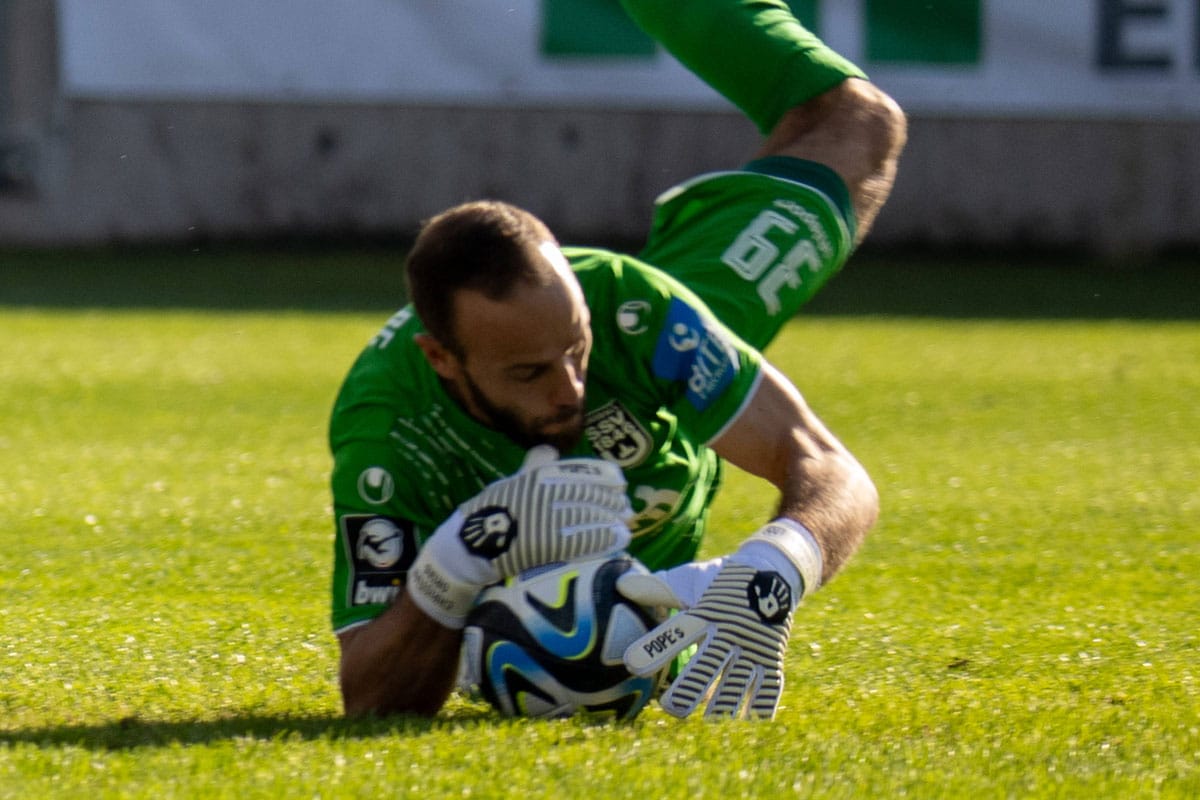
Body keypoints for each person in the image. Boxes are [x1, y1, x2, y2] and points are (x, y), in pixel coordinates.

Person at [328, 0, 906, 719]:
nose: (571, 389)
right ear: (442, 359)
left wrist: (777, 564)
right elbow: (372, 696)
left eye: (575, 350)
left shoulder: (630, 310)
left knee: (858, 123)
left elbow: (831, 470)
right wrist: (456, 563)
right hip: (627, 596)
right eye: (529, 372)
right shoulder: (389, 428)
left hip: (672, 318)